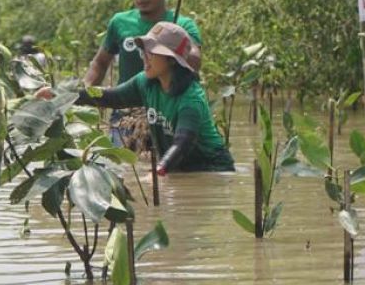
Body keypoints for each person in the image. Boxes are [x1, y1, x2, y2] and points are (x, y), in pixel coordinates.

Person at [54, 21, 232, 174]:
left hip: (210, 169)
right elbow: (108, 97)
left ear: (171, 59)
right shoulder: (145, 82)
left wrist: (160, 170)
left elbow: (182, 143)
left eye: (151, 53)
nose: (145, 59)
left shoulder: (190, 99)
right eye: (143, 52)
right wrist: (60, 96)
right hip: (177, 167)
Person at [83, 0, 202, 87]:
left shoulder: (182, 25)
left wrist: (169, 45)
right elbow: (100, 63)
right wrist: (86, 91)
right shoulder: (120, 21)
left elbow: (195, 61)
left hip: (165, 105)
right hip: (125, 104)